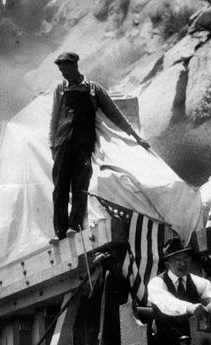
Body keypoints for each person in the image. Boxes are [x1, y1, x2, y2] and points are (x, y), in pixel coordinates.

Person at [49, 51, 149, 242]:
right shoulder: (60, 89)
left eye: (65, 69)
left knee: (80, 186)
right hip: (62, 144)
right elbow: (54, 118)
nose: (62, 73)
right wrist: (51, 145)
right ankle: (59, 232)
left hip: (83, 145)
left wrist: (136, 136)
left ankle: (74, 227)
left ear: (75, 66)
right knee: (59, 189)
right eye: (60, 69)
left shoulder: (94, 89)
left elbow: (115, 113)